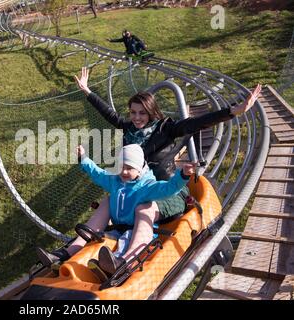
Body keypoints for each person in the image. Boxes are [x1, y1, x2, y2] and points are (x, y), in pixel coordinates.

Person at [37, 67, 262, 274]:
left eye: (142, 113)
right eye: (133, 112)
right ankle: (68, 252)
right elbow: (110, 115)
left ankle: (127, 259)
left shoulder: (166, 129)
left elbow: (196, 123)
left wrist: (233, 111)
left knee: (144, 208)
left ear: (152, 112)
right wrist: (87, 91)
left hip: (164, 191)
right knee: (107, 201)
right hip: (132, 188)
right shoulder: (129, 129)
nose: (136, 118)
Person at [76, 144, 195, 277]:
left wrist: (183, 175)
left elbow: (168, 189)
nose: (124, 172)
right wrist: (84, 159)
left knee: (126, 240)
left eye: (130, 168)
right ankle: (69, 253)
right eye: (121, 167)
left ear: (139, 170)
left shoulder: (146, 187)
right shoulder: (114, 181)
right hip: (117, 228)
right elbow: (97, 173)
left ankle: (123, 262)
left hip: (135, 230)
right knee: (105, 236)